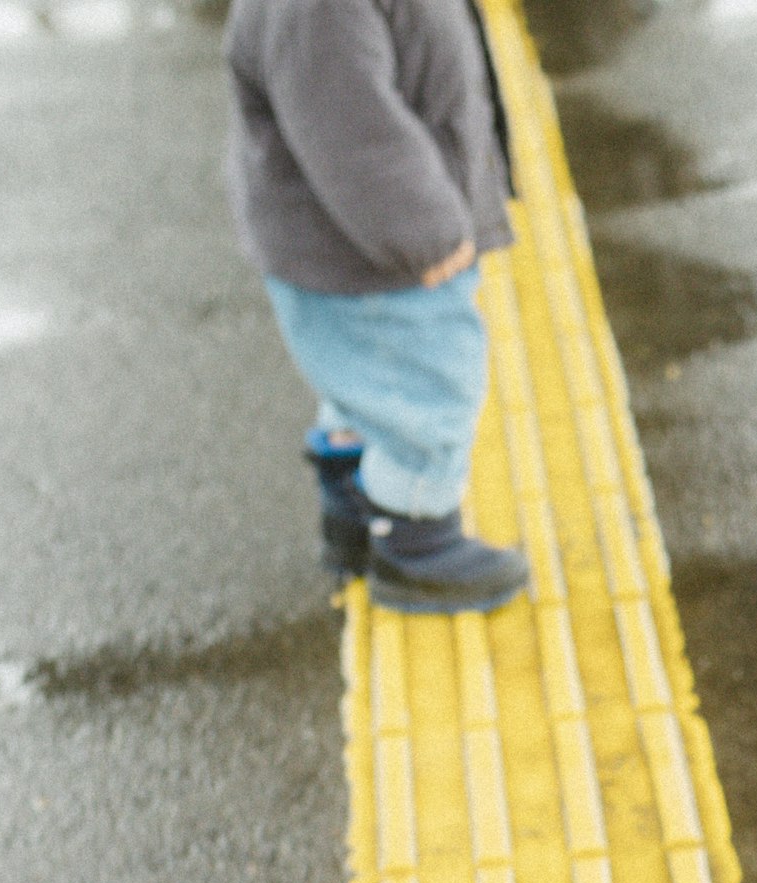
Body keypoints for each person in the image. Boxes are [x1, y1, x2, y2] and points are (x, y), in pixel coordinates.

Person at [225, 0, 536, 616]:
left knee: (365, 381)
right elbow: (351, 129)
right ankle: (416, 542)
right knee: (422, 386)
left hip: (351, 242)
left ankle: (354, 506)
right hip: (374, 252)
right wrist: (424, 233)